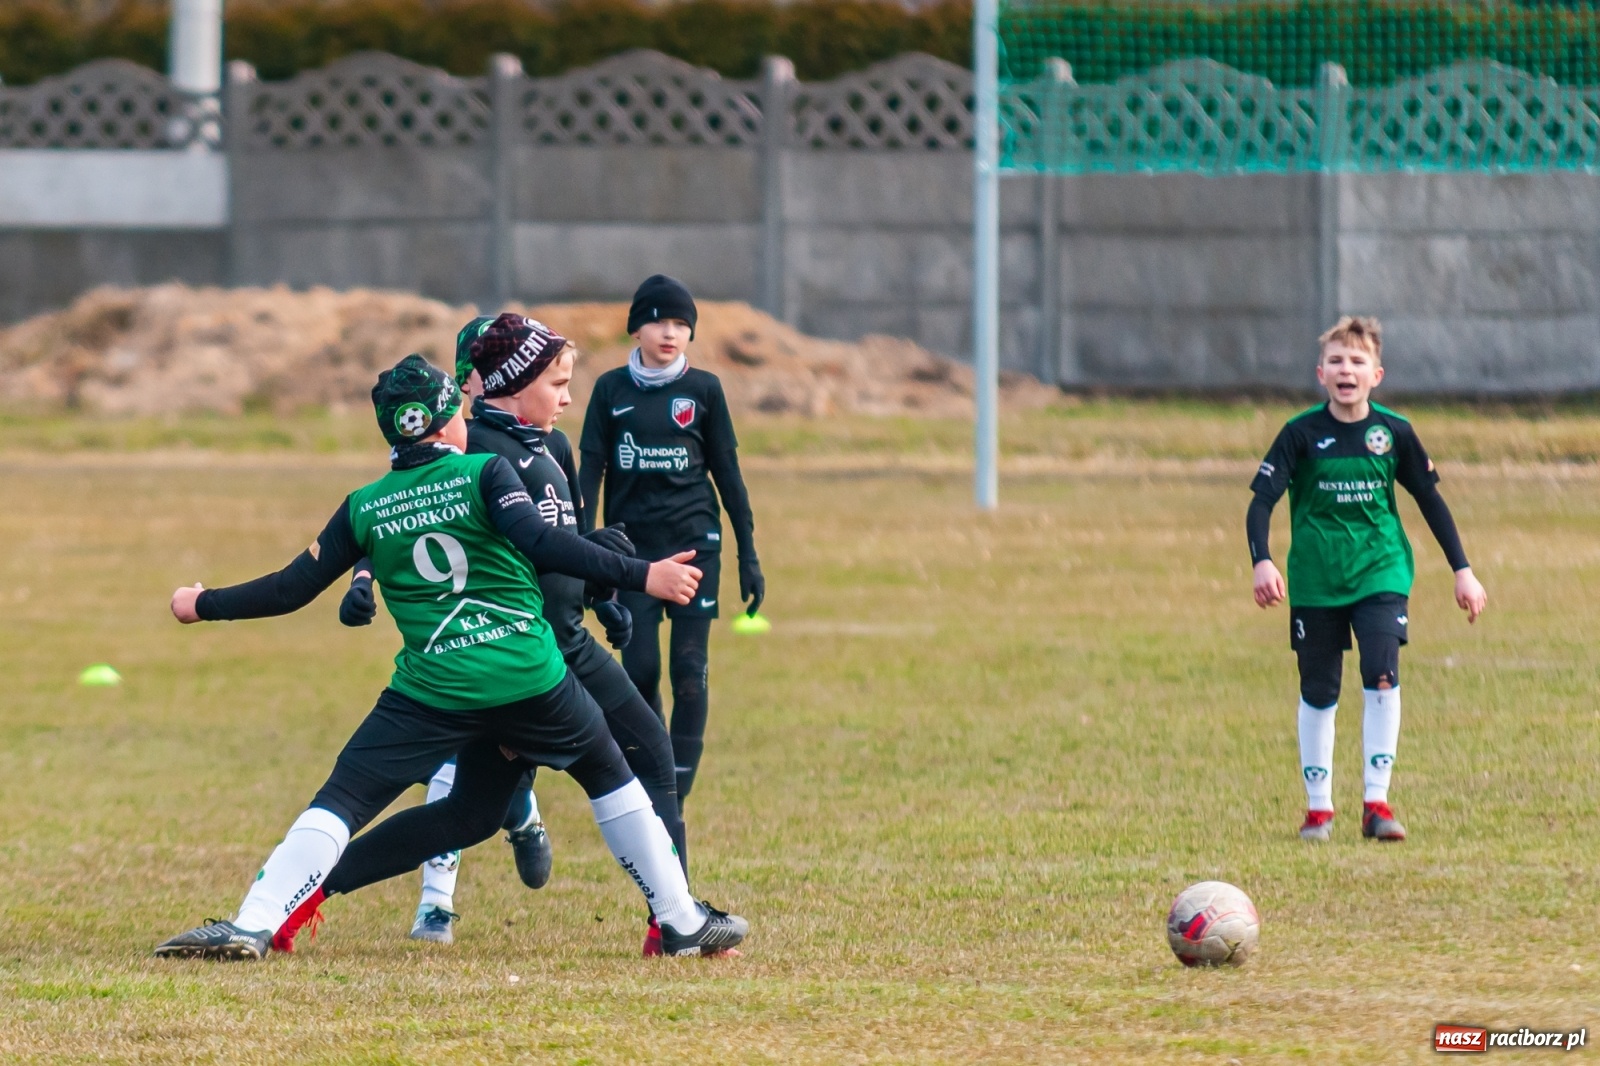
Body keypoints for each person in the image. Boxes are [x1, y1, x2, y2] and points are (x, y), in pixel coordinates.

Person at [153, 353, 746, 959]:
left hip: (433, 690)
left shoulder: (365, 504)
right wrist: (642, 574)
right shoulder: (486, 473)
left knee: (349, 800)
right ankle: (678, 921)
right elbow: (544, 543)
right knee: (606, 771)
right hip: (528, 678)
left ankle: (253, 921)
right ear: (446, 424)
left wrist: (202, 604)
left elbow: (286, 588)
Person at [331, 314, 694, 957]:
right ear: (511, 382)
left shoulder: (552, 446)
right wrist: (362, 578)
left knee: (472, 812)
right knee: (626, 762)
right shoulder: (475, 453)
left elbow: (559, 543)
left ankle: (304, 892)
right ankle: (675, 919)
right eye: (557, 381)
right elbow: (408, 519)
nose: (568, 395)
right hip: (524, 650)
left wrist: (603, 589)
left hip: (564, 639)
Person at [1247, 316, 1487, 843]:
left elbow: (1430, 500)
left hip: (1381, 572)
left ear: (1376, 374)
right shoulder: (1301, 433)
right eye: (1336, 361)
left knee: (1381, 673)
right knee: (1319, 690)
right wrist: (1261, 559)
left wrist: (1462, 570)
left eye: (1356, 361)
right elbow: (1262, 500)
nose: (1346, 369)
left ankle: (1376, 804)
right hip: (1315, 579)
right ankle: (1318, 811)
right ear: (1321, 373)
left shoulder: (1394, 432)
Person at [578, 275, 763, 813]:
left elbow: (728, 474)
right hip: (631, 553)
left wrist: (746, 553)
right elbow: (589, 472)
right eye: (660, 321)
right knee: (637, 673)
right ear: (636, 327)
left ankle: (673, 793)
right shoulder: (611, 390)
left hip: (694, 545)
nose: (671, 332)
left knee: (688, 671)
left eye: (682, 324)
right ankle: (655, 771)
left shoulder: (704, 391)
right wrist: (587, 549)